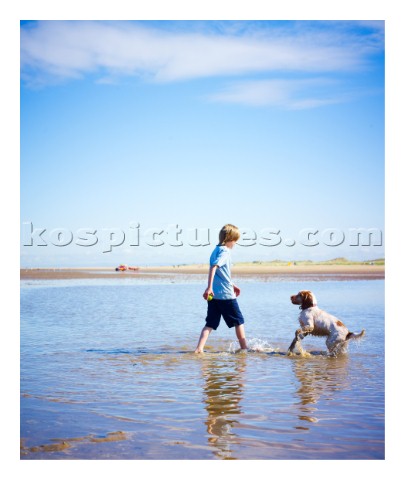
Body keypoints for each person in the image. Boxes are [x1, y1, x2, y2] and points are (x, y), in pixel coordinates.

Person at [194, 224, 248, 353]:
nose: (235, 244)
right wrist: (209, 287)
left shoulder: (216, 250)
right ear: (230, 239)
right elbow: (214, 267)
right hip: (225, 295)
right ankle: (244, 348)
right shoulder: (225, 251)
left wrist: (232, 284)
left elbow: (221, 273)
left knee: (210, 324)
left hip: (215, 296)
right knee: (239, 321)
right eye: (235, 241)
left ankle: (199, 349)